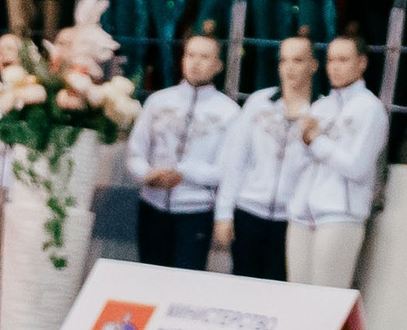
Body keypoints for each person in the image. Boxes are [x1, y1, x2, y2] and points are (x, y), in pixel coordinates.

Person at [125, 33, 238, 271]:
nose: (195, 62)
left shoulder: (229, 112)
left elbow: (226, 169)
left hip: (195, 211)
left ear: (218, 65)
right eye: (190, 55)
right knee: (149, 275)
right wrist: (148, 174)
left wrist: (182, 172)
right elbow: (135, 152)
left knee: (184, 280)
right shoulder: (158, 101)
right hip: (152, 206)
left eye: (204, 57)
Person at [211, 36, 319, 281]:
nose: (289, 67)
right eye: (283, 60)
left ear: (313, 64)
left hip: (292, 221)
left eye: (298, 60)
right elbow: (236, 158)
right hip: (249, 211)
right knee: (242, 288)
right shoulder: (260, 102)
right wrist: (224, 213)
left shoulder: (321, 110)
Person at [287, 35, 384, 286]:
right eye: (331, 60)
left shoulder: (370, 108)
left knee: (326, 299)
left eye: (343, 59)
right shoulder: (321, 106)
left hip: (340, 215)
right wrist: (300, 139)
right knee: (295, 297)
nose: (335, 66)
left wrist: (316, 142)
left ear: (361, 63)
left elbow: (357, 167)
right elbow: (295, 164)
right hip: (301, 214)